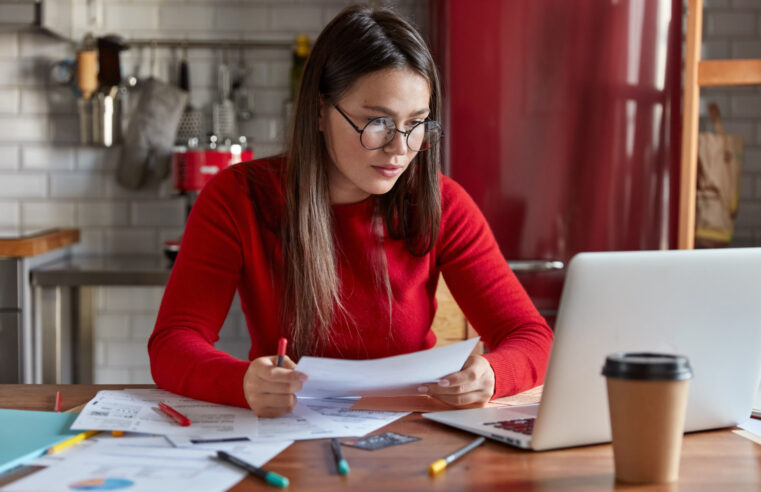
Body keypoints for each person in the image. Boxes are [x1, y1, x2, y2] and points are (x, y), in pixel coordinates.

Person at [148, 5, 553, 418]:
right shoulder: (238, 197)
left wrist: (493, 373)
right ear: (320, 111)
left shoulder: (444, 204)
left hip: (410, 434)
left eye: (416, 123)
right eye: (378, 122)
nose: (400, 148)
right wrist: (243, 382)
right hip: (288, 436)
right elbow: (173, 343)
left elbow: (532, 336)